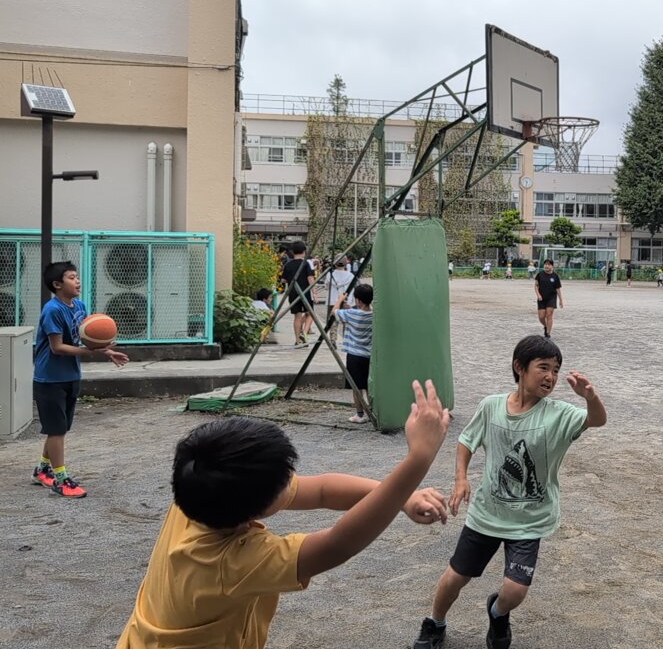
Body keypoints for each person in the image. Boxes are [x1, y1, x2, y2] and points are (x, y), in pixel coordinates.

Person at [117, 384, 451, 649]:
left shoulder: (197, 494)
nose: (293, 481)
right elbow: (338, 543)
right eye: (284, 482)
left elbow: (322, 490)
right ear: (257, 508)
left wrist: (404, 498)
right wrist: (419, 459)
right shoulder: (230, 562)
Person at [412, 335, 607, 649]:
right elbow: (466, 441)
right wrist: (461, 479)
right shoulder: (491, 406)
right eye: (543, 367)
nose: (551, 376)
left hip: (529, 520)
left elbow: (597, 420)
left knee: (515, 591)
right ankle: (435, 622)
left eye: (556, 370)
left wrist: (590, 397)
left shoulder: (559, 414)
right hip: (487, 514)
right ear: (519, 367)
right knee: (455, 577)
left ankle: (498, 612)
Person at [32, 261, 129, 498]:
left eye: (77, 277)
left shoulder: (80, 306)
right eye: (72, 277)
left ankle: (42, 470)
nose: (77, 281)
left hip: (71, 375)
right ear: (57, 284)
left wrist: (107, 351)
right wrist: (91, 353)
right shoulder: (53, 310)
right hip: (50, 379)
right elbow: (57, 347)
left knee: (59, 428)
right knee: (56, 430)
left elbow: (87, 339)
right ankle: (61, 479)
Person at [335, 283, 374, 424]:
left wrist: (339, 300)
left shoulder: (352, 314)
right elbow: (360, 312)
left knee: (357, 387)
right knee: (369, 386)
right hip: (369, 355)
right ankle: (372, 412)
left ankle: (360, 414)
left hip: (354, 356)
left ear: (358, 300)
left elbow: (335, 312)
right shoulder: (374, 315)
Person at [282, 241, 315, 346]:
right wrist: (314, 293)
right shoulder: (306, 263)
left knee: (297, 316)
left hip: (293, 293)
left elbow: (283, 280)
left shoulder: (288, 265)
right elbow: (310, 278)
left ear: (293, 251)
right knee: (310, 313)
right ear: (304, 251)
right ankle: (304, 332)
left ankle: (297, 340)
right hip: (305, 292)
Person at [325, 255, 355, 348]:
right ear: (346, 263)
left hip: (332, 300)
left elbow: (326, 287)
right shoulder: (350, 276)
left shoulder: (330, 274)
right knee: (346, 321)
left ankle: (333, 340)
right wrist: (350, 301)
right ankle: (346, 340)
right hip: (345, 300)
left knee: (333, 321)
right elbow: (352, 289)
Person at [534, 259, 563, 339]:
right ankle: (546, 326)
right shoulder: (540, 275)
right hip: (541, 298)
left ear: (552, 266)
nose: (546, 266)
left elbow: (558, 289)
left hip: (551, 298)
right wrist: (538, 295)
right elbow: (536, 286)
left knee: (549, 315)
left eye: (548, 264)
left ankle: (548, 334)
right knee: (541, 317)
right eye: (545, 264)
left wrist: (561, 300)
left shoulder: (555, 276)